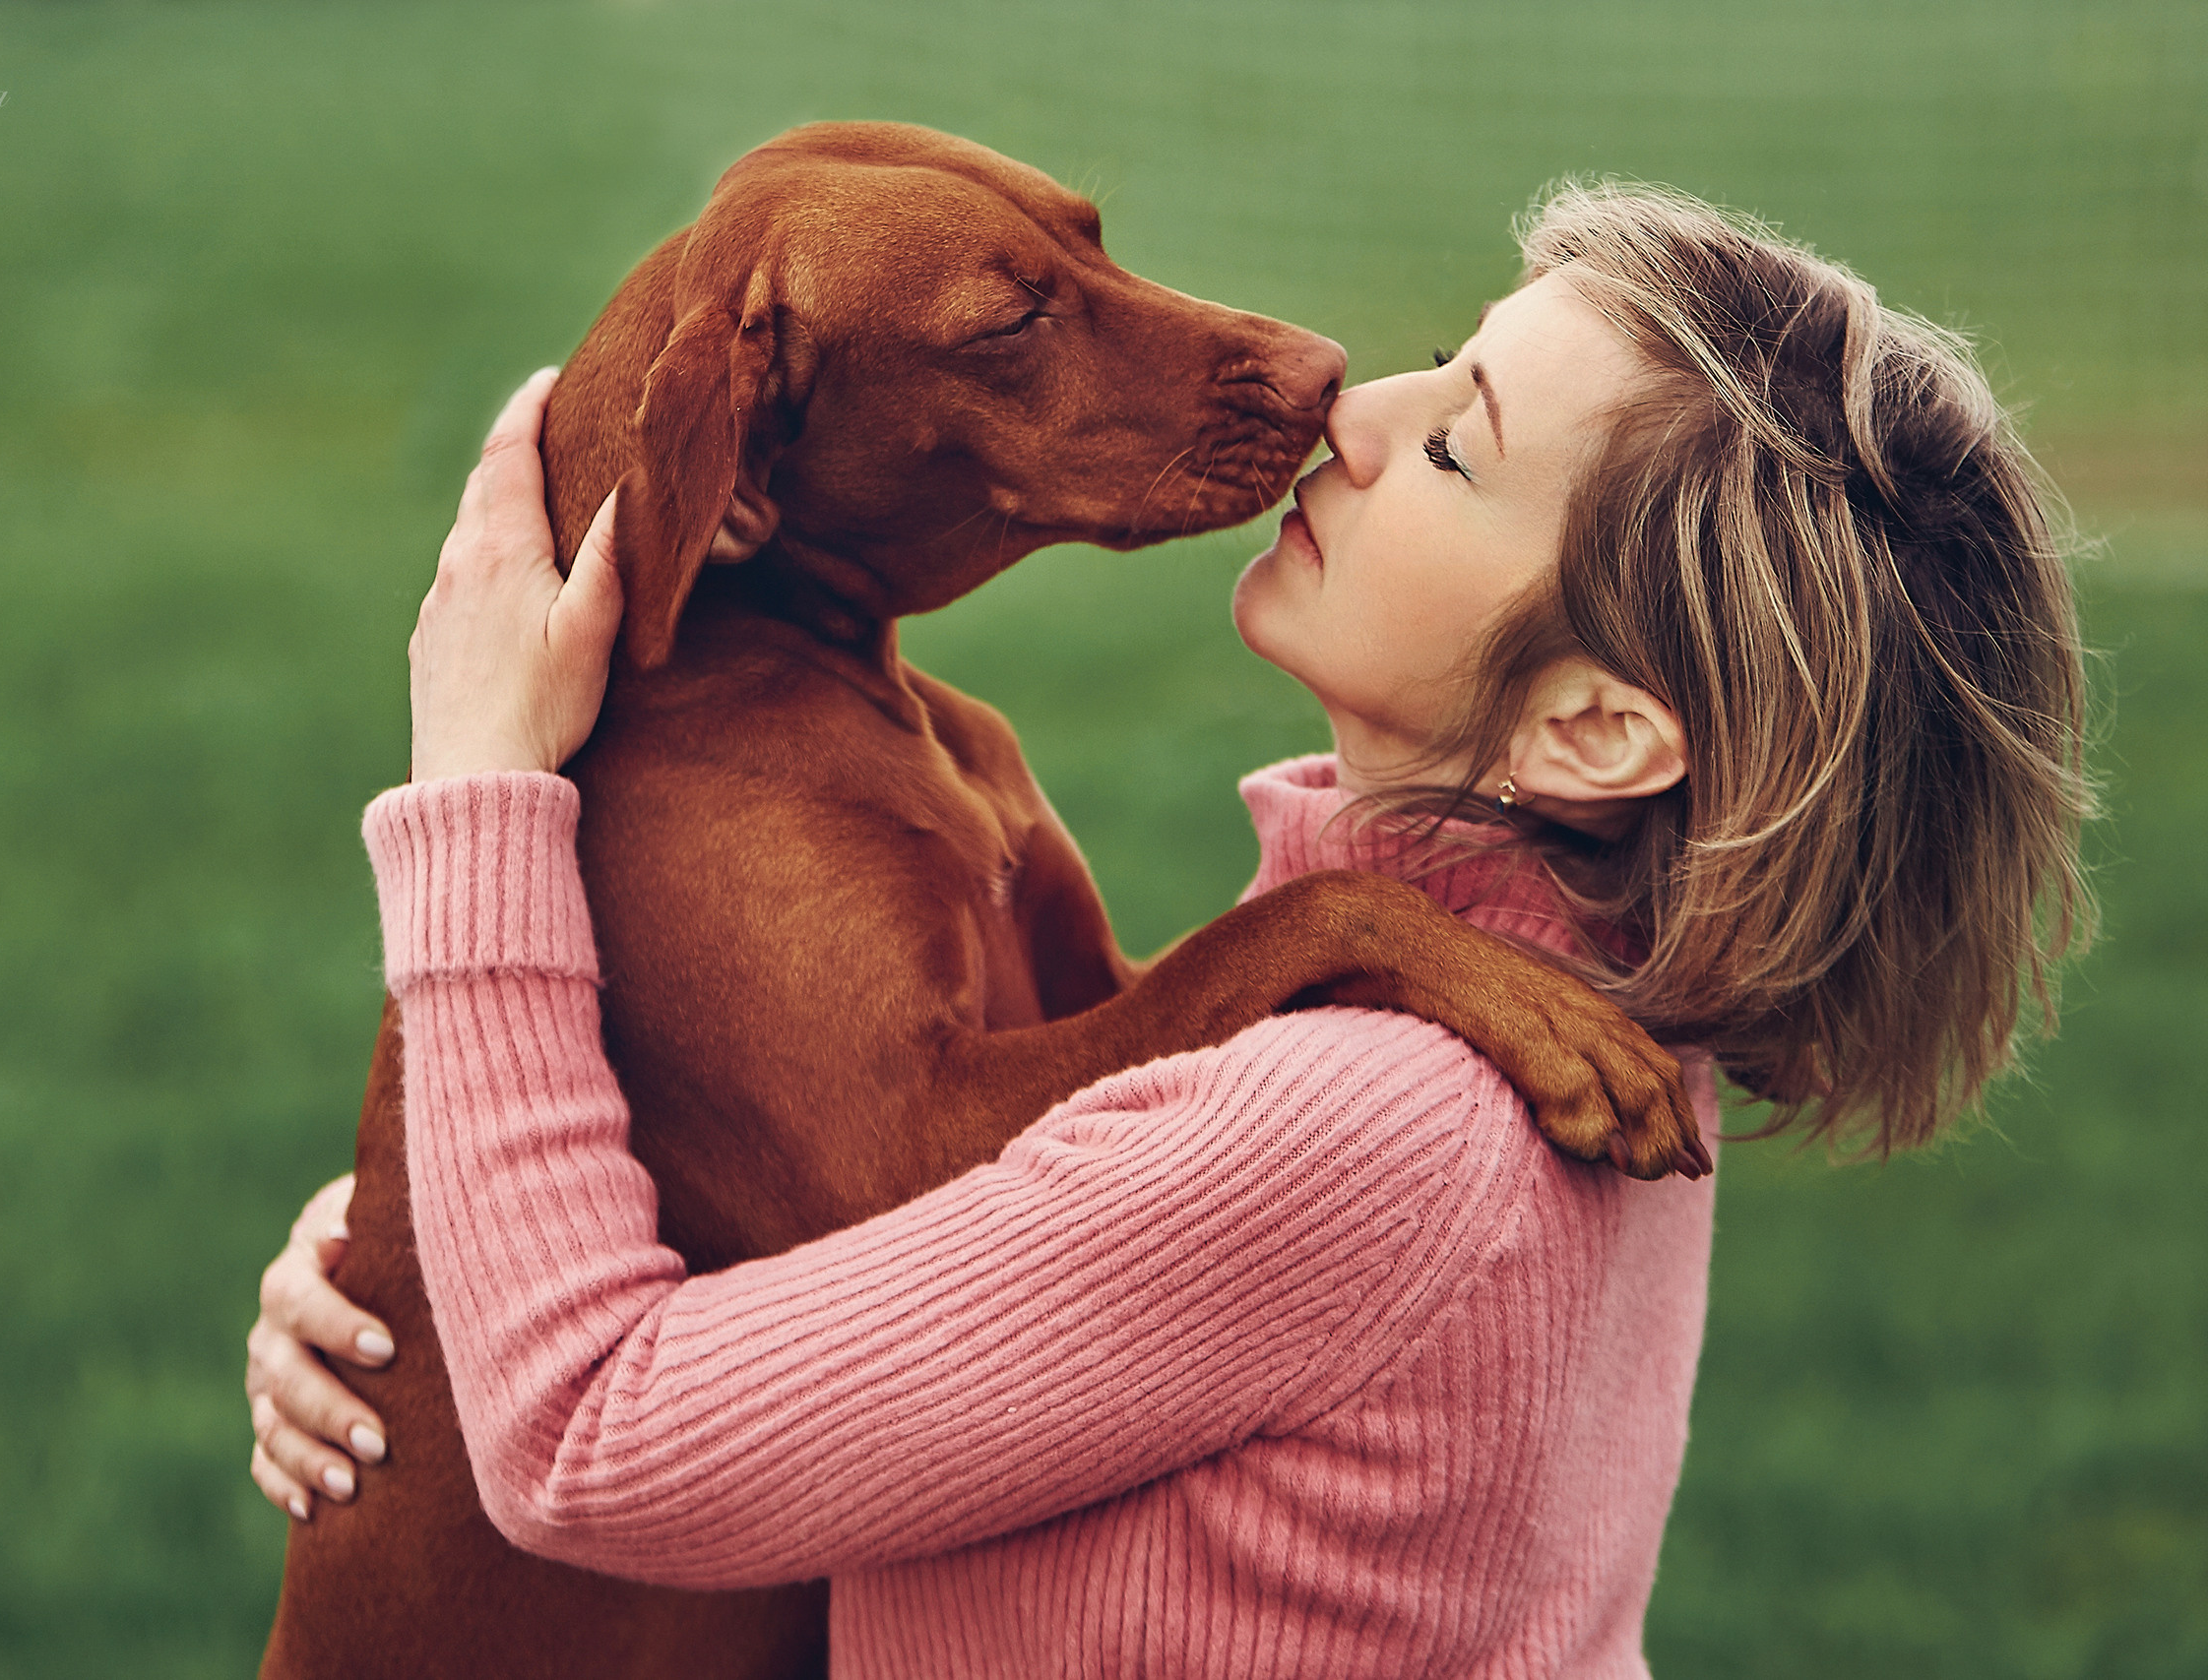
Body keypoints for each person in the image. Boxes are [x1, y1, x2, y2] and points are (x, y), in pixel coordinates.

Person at [242, 183, 2092, 1675]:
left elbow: (589, 1440)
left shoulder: (1356, 1129)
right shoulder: (1586, 999)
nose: (1344, 394)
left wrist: (477, 779)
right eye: (1444, 364)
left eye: (1456, 447)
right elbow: (1040, 1206)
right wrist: (415, 1245)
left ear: (1601, 729)